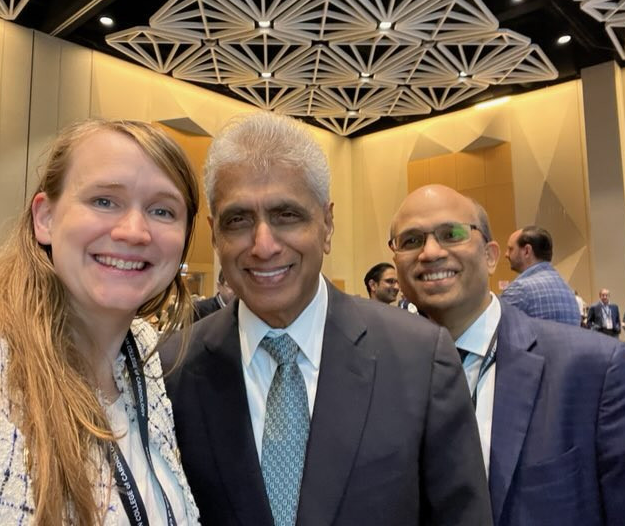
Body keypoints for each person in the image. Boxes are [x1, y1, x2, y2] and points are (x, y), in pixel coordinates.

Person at [162, 113, 492, 526]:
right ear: (214, 234)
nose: (263, 245)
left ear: (327, 224)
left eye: (286, 215)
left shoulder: (421, 358)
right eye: (238, 220)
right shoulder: (172, 369)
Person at [0, 119, 200, 524]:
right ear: (45, 217)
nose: (134, 231)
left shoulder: (143, 360)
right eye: (104, 201)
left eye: (162, 210)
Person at [390, 184, 625, 526]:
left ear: (490, 256)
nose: (430, 252)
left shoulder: (597, 370)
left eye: (451, 234)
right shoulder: (382, 373)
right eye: (411, 241)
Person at [500, 226, 580, 326]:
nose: (506, 254)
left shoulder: (519, 290)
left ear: (527, 251)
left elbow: (495, 332)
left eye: (511, 249)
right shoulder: (568, 292)